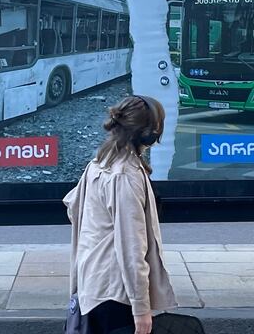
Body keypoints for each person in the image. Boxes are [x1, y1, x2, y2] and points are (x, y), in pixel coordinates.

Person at [64, 95, 176, 334]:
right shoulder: (125, 174)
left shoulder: (99, 162)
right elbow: (131, 246)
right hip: (116, 293)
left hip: (94, 285)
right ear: (148, 132)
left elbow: (74, 208)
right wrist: (141, 308)